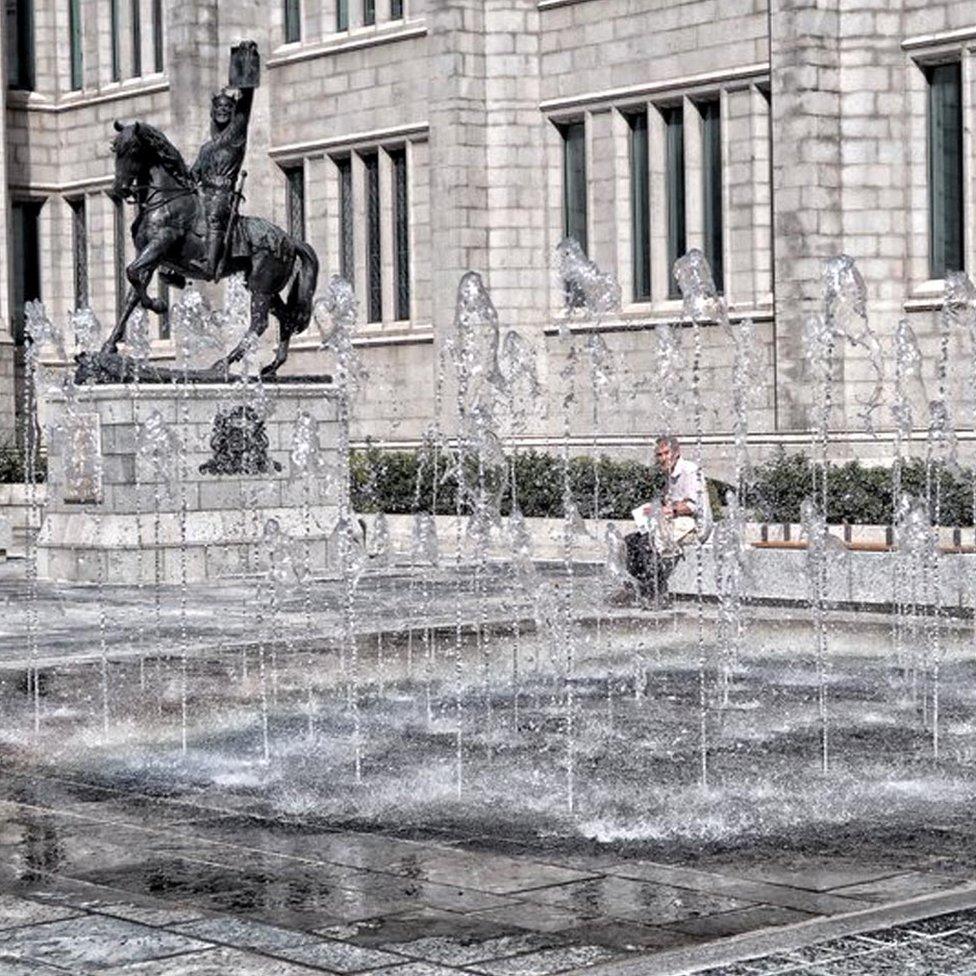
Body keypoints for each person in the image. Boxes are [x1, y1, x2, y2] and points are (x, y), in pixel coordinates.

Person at [612, 435, 712, 608]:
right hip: (676, 520)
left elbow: (693, 507)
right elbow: (671, 502)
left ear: (677, 452)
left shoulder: (690, 470)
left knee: (647, 543)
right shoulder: (669, 475)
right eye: (660, 455)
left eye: (667, 453)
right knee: (630, 541)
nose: (664, 458)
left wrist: (667, 510)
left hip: (695, 524)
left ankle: (658, 593)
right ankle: (637, 588)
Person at [189, 41, 259, 280]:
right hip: (202, 194)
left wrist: (244, 60)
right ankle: (171, 268)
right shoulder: (206, 148)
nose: (223, 111)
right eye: (218, 107)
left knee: (215, 214)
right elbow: (191, 176)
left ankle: (210, 264)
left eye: (227, 107)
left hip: (222, 194)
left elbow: (246, 102)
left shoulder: (235, 135)